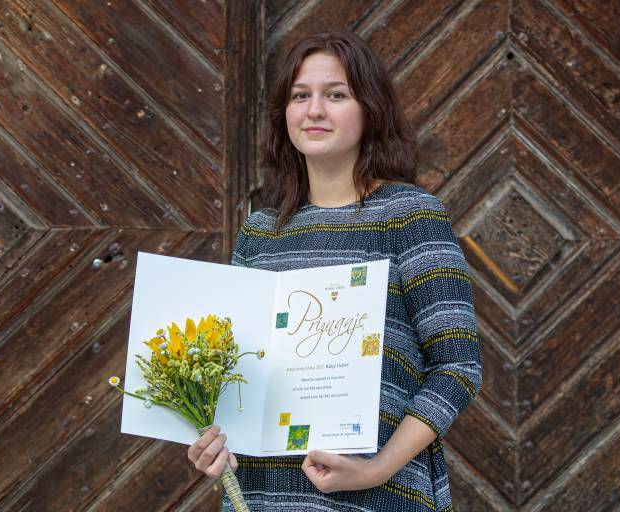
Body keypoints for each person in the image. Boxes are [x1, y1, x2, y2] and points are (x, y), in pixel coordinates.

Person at [188, 30, 482, 512]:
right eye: (300, 95)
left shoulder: (409, 216)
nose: (314, 110)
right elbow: (235, 379)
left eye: (336, 95)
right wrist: (212, 442)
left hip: (378, 496)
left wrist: (375, 469)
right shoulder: (259, 233)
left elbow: (457, 367)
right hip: (265, 498)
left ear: (371, 109)